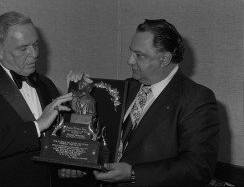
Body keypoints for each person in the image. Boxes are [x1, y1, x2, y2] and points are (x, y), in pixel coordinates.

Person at [62, 19, 220, 186]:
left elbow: (199, 168)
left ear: (164, 58)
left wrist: (133, 174)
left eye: (139, 55)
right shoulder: (125, 87)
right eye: (131, 52)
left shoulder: (196, 98)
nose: (130, 60)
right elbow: (97, 136)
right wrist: (77, 91)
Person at [0, 11, 74, 186]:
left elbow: (56, 144)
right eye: (23, 48)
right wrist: (38, 125)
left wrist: (77, 95)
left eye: (36, 45)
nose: (34, 54)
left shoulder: (46, 84)